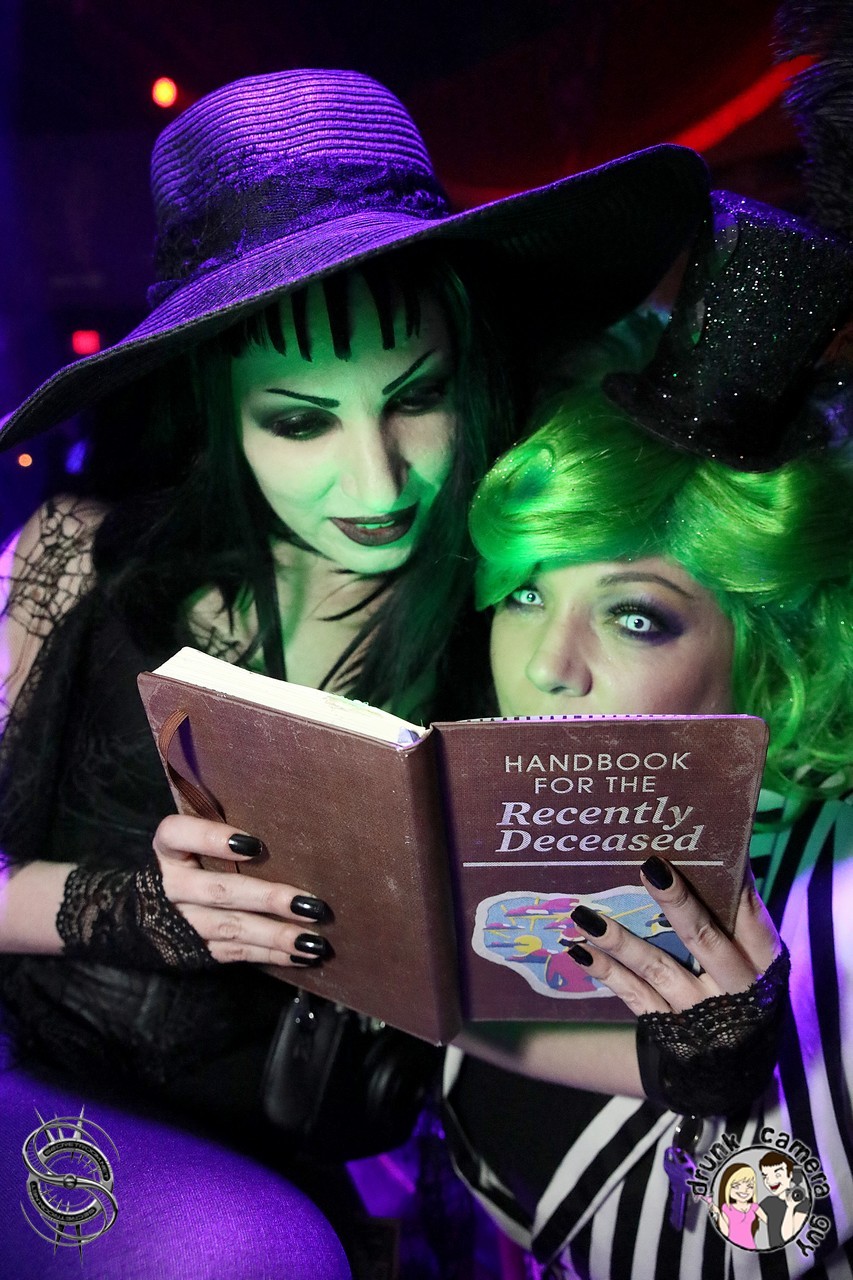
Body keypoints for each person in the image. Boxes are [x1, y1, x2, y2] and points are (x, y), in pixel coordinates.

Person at [0, 66, 708, 1270]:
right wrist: (123, 904)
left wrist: (695, 1042)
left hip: (291, 1156)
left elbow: (501, 995)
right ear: (220, 410)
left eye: (415, 398)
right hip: (40, 1085)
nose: (377, 482)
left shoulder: (511, 624)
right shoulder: (78, 552)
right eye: (300, 420)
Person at [443, 192, 853, 1279]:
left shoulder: (836, 895)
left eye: (633, 617)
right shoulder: (484, 844)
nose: (548, 663)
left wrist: (731, 1097)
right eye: (525, 592)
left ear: (765, 651)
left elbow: (771, 1244)